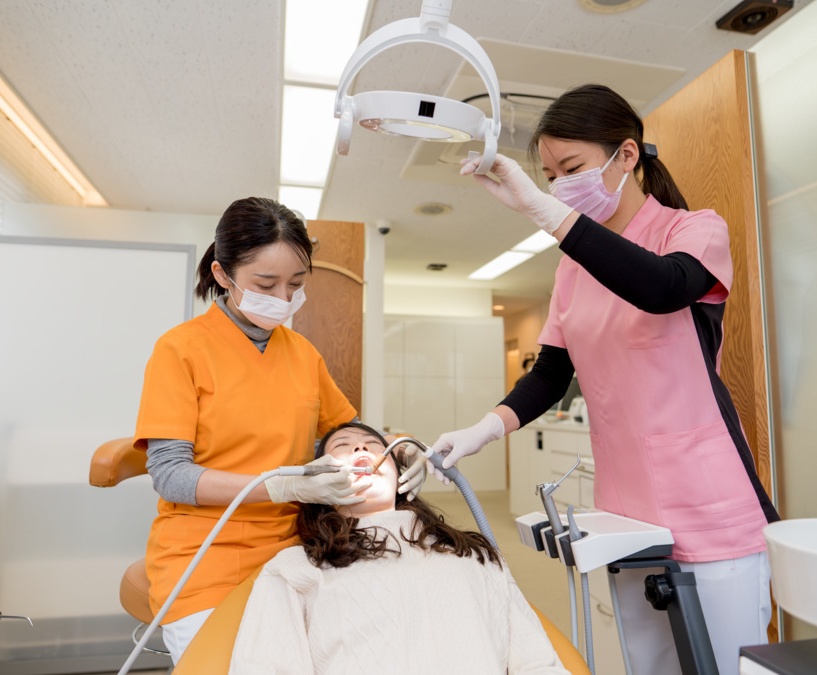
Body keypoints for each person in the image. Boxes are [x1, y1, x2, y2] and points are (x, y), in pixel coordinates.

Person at [433, 84, 780, 675]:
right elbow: (550, 373)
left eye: (571, 169)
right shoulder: (573, 269)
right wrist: (483, 430)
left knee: (726, 667)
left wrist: (547, 214)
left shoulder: (692, 230)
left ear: (627, 155)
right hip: (625, 512)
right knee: (650, 667)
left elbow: (662, 287)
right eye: (549, 177)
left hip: (708, 501)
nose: (560, 185)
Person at [133, 197, 427, 662]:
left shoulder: (302, 354)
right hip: (206, 554)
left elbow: (345, 431)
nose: (284, 300)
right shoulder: (180, 351)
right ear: (221, 274)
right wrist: (281, 484)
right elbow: (170, 475)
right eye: (266, 284)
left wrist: (398, 449)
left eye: (295, 284)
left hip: (302, 547)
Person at [228, 423, 570, 674]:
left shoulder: (472, 554)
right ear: (317, 483)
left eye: (374, 447)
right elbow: (264, 666)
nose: (362, 451)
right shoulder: (294, 568)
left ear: (402, 476)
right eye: (343, 446)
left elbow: (537, 662)